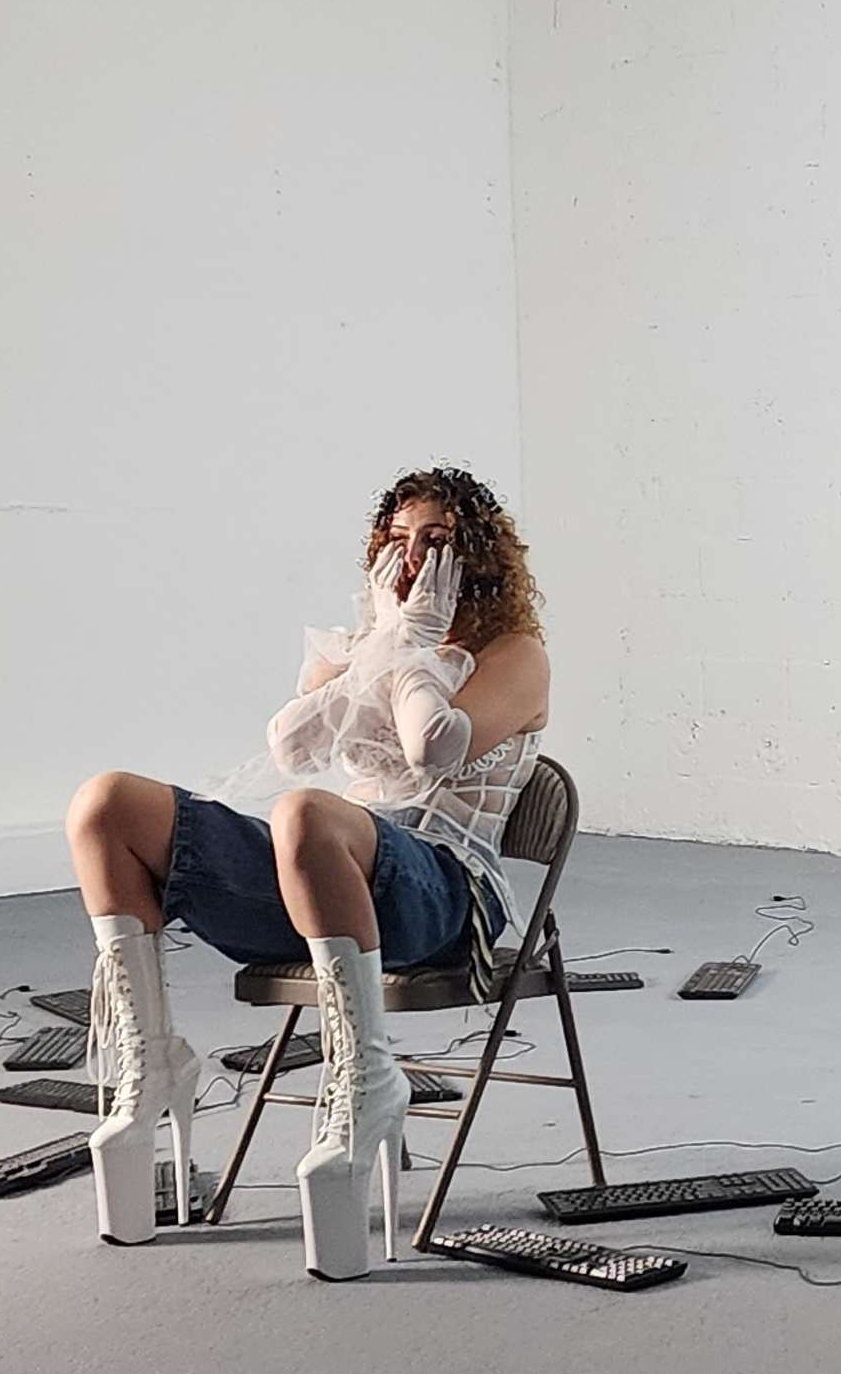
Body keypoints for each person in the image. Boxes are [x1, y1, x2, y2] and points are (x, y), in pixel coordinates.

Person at [64, 469, 552, 1273]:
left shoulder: (516, 655)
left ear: (477, 558)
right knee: (106, 804)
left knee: (304, 814)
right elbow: (291, 743)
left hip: (441, 896)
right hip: (326, 884)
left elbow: (437, 745)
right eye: (398, 542)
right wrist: (382, 647)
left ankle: (365, 1080)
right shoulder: (362, 648)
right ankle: (150, 1067)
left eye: (437, 543)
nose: (412, 562)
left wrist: (416, 651)